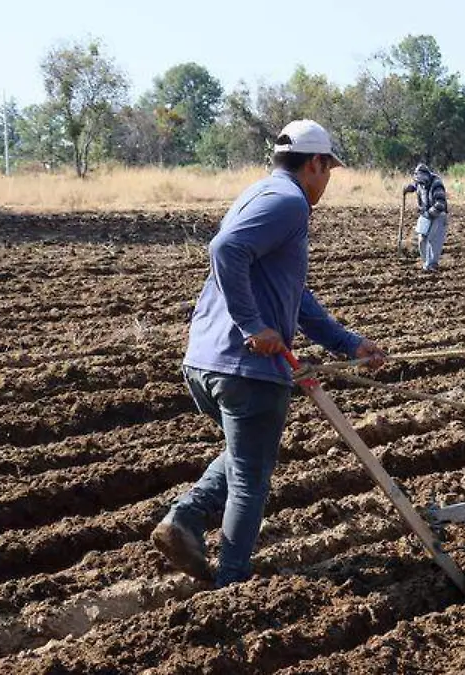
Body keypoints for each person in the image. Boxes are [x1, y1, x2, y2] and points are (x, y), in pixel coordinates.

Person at [151, 119, 386, 587]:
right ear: (315, 163)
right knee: (250, 479)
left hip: (204, 360)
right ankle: (231, 580)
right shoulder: (289, 202)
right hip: (246, 368)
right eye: (328, 171)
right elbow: (225, 250)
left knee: (245, 456)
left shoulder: (255, 195)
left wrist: (347, 343)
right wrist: (253, 326)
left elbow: (292, 295)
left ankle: (184, 519)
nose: (327, 182)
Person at [402, 163, 449, 272]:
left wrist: (428, 213)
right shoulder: (419, 182)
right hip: (425, 213)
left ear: (428, 177)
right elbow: (415, 185)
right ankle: (426, 263)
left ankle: (432, 264)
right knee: (421, 239)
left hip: (439, 214)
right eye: (418, 182)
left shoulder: (437, 184)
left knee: (433, 240)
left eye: (422, 182)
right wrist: (408, 188)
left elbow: (440, 205)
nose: (421, 184)